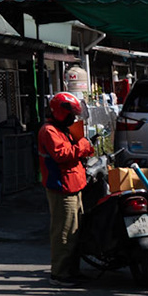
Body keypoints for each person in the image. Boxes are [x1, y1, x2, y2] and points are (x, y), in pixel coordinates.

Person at [38, 92, 94, 284]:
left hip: (74, 184)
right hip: (61, 186)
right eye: (71, 113)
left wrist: (84, 144)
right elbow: (62, 154)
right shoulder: (49, 131)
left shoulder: (64, 129)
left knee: (75, 231)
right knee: (64, 232)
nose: (73, 117)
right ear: (60, 112)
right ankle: (60, 273)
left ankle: (72, 270)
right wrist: (83, 145)